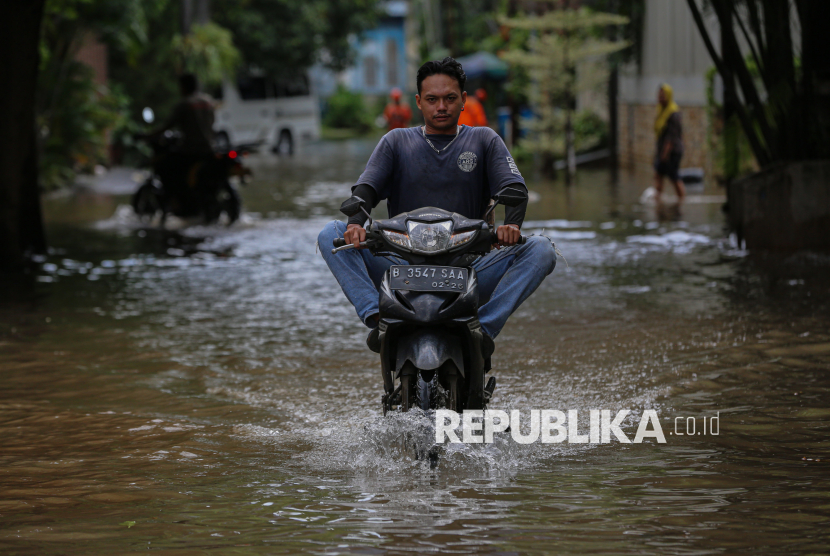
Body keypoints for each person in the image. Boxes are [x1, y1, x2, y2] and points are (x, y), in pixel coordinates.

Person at [318, 57, 556, 357]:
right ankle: (378, 320)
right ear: (418, 102)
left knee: (542, 249)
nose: (440, 107)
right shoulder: (396, 141)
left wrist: (512, 226)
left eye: (449, 99)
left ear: (464, 100)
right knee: (331, 233)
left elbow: (514, 189)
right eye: (432, 100)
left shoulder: (484, 139)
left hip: (469, 268)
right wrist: (354, 223)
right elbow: (366, 189)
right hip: (401, 267)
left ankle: (483, 329)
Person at [146, 73, 216, 197]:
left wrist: (148, 135)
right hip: (210, 148)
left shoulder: (184, 104)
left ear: (183, 87)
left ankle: (176, 197)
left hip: (190, 150)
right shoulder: (208, 102)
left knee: (165, 166)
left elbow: (168, 125)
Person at [653, 83, 686, 202]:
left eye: (663, 96)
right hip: (662, 150)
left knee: (674, 176)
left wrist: (665, 154)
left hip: (672, 151)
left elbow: (672, 137)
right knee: (658, 174)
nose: (660, 98)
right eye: (659, 96)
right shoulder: (661, 111)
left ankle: (681, 200)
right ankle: (658, 198)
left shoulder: (673, 113)